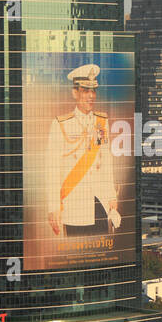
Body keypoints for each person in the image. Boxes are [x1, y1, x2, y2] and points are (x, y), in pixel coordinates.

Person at [45, 64, 120, 240]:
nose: (91, 96)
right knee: (77, 253)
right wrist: (53, 207)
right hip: (75, 205)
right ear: (75, 93)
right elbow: (52, 169)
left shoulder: (101, 122)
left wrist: (110, 197)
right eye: (86, 91)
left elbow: (106, 162)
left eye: (93, 91)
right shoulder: (61, 124)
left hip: (99, 202)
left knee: (100, 254)